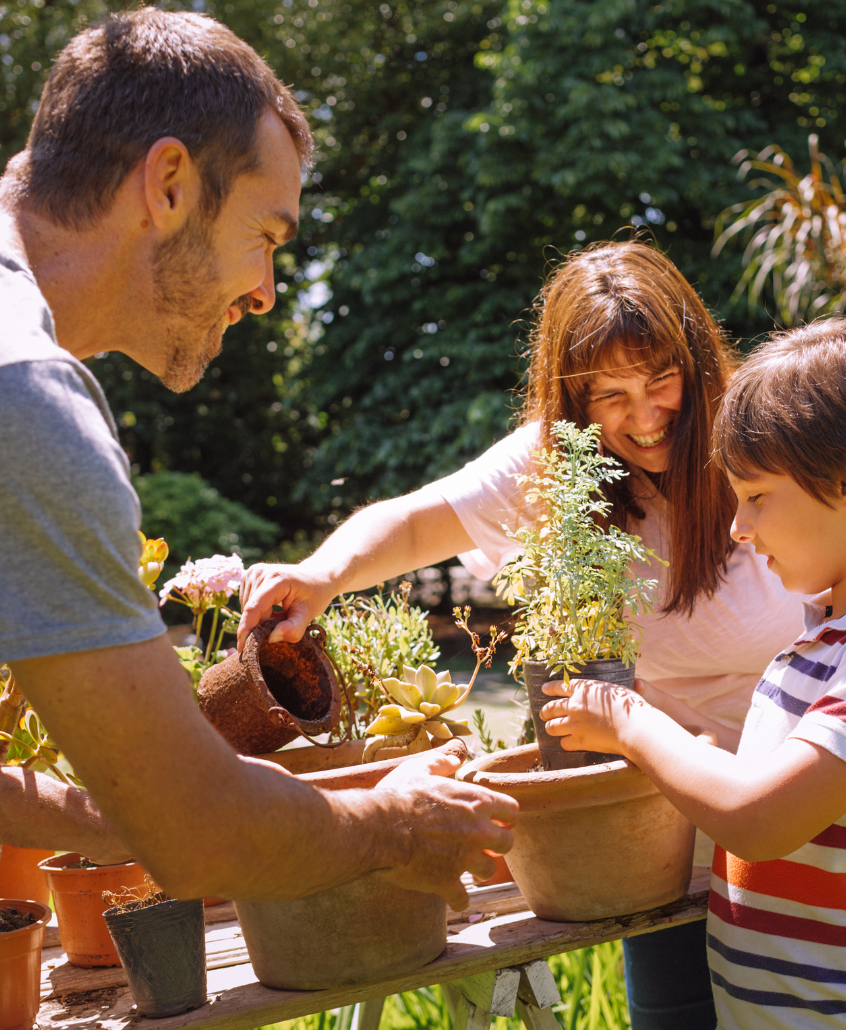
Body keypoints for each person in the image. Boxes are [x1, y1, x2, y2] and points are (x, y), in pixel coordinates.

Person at [0, 7, 517, 908]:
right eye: (267, 239)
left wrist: (136, 806)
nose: (269, 296)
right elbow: (203, 841)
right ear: (168, 184)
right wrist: (397, 824)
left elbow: (172, 813)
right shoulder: (27, 400)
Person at [239, 241, 807, 1028]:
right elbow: (412, 523)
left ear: (700, 359)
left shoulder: (758, 432)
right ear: (572, 400)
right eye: (610, 395)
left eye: (662, 380)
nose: (644, 418)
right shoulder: (553, 464)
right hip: (670, 849)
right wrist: (323, 574)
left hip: (807, 843)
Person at [541, 319, 846, 1027]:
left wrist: (633, 726)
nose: (738, 527)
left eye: (759, 496)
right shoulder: (817, 641)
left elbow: (761, 818)